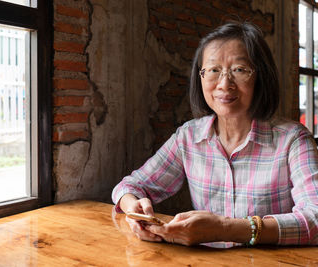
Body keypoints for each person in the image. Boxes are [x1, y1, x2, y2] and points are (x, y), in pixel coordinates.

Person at [112, 21, 318, 246]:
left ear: (260, 76)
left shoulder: (293, 140)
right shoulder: (188, 137)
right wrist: (133, 208)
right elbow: (129, 186)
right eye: (213, 70)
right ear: (200, 77)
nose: (224, 84)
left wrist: (224, 229)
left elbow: (314, 219)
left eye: (239, 70)